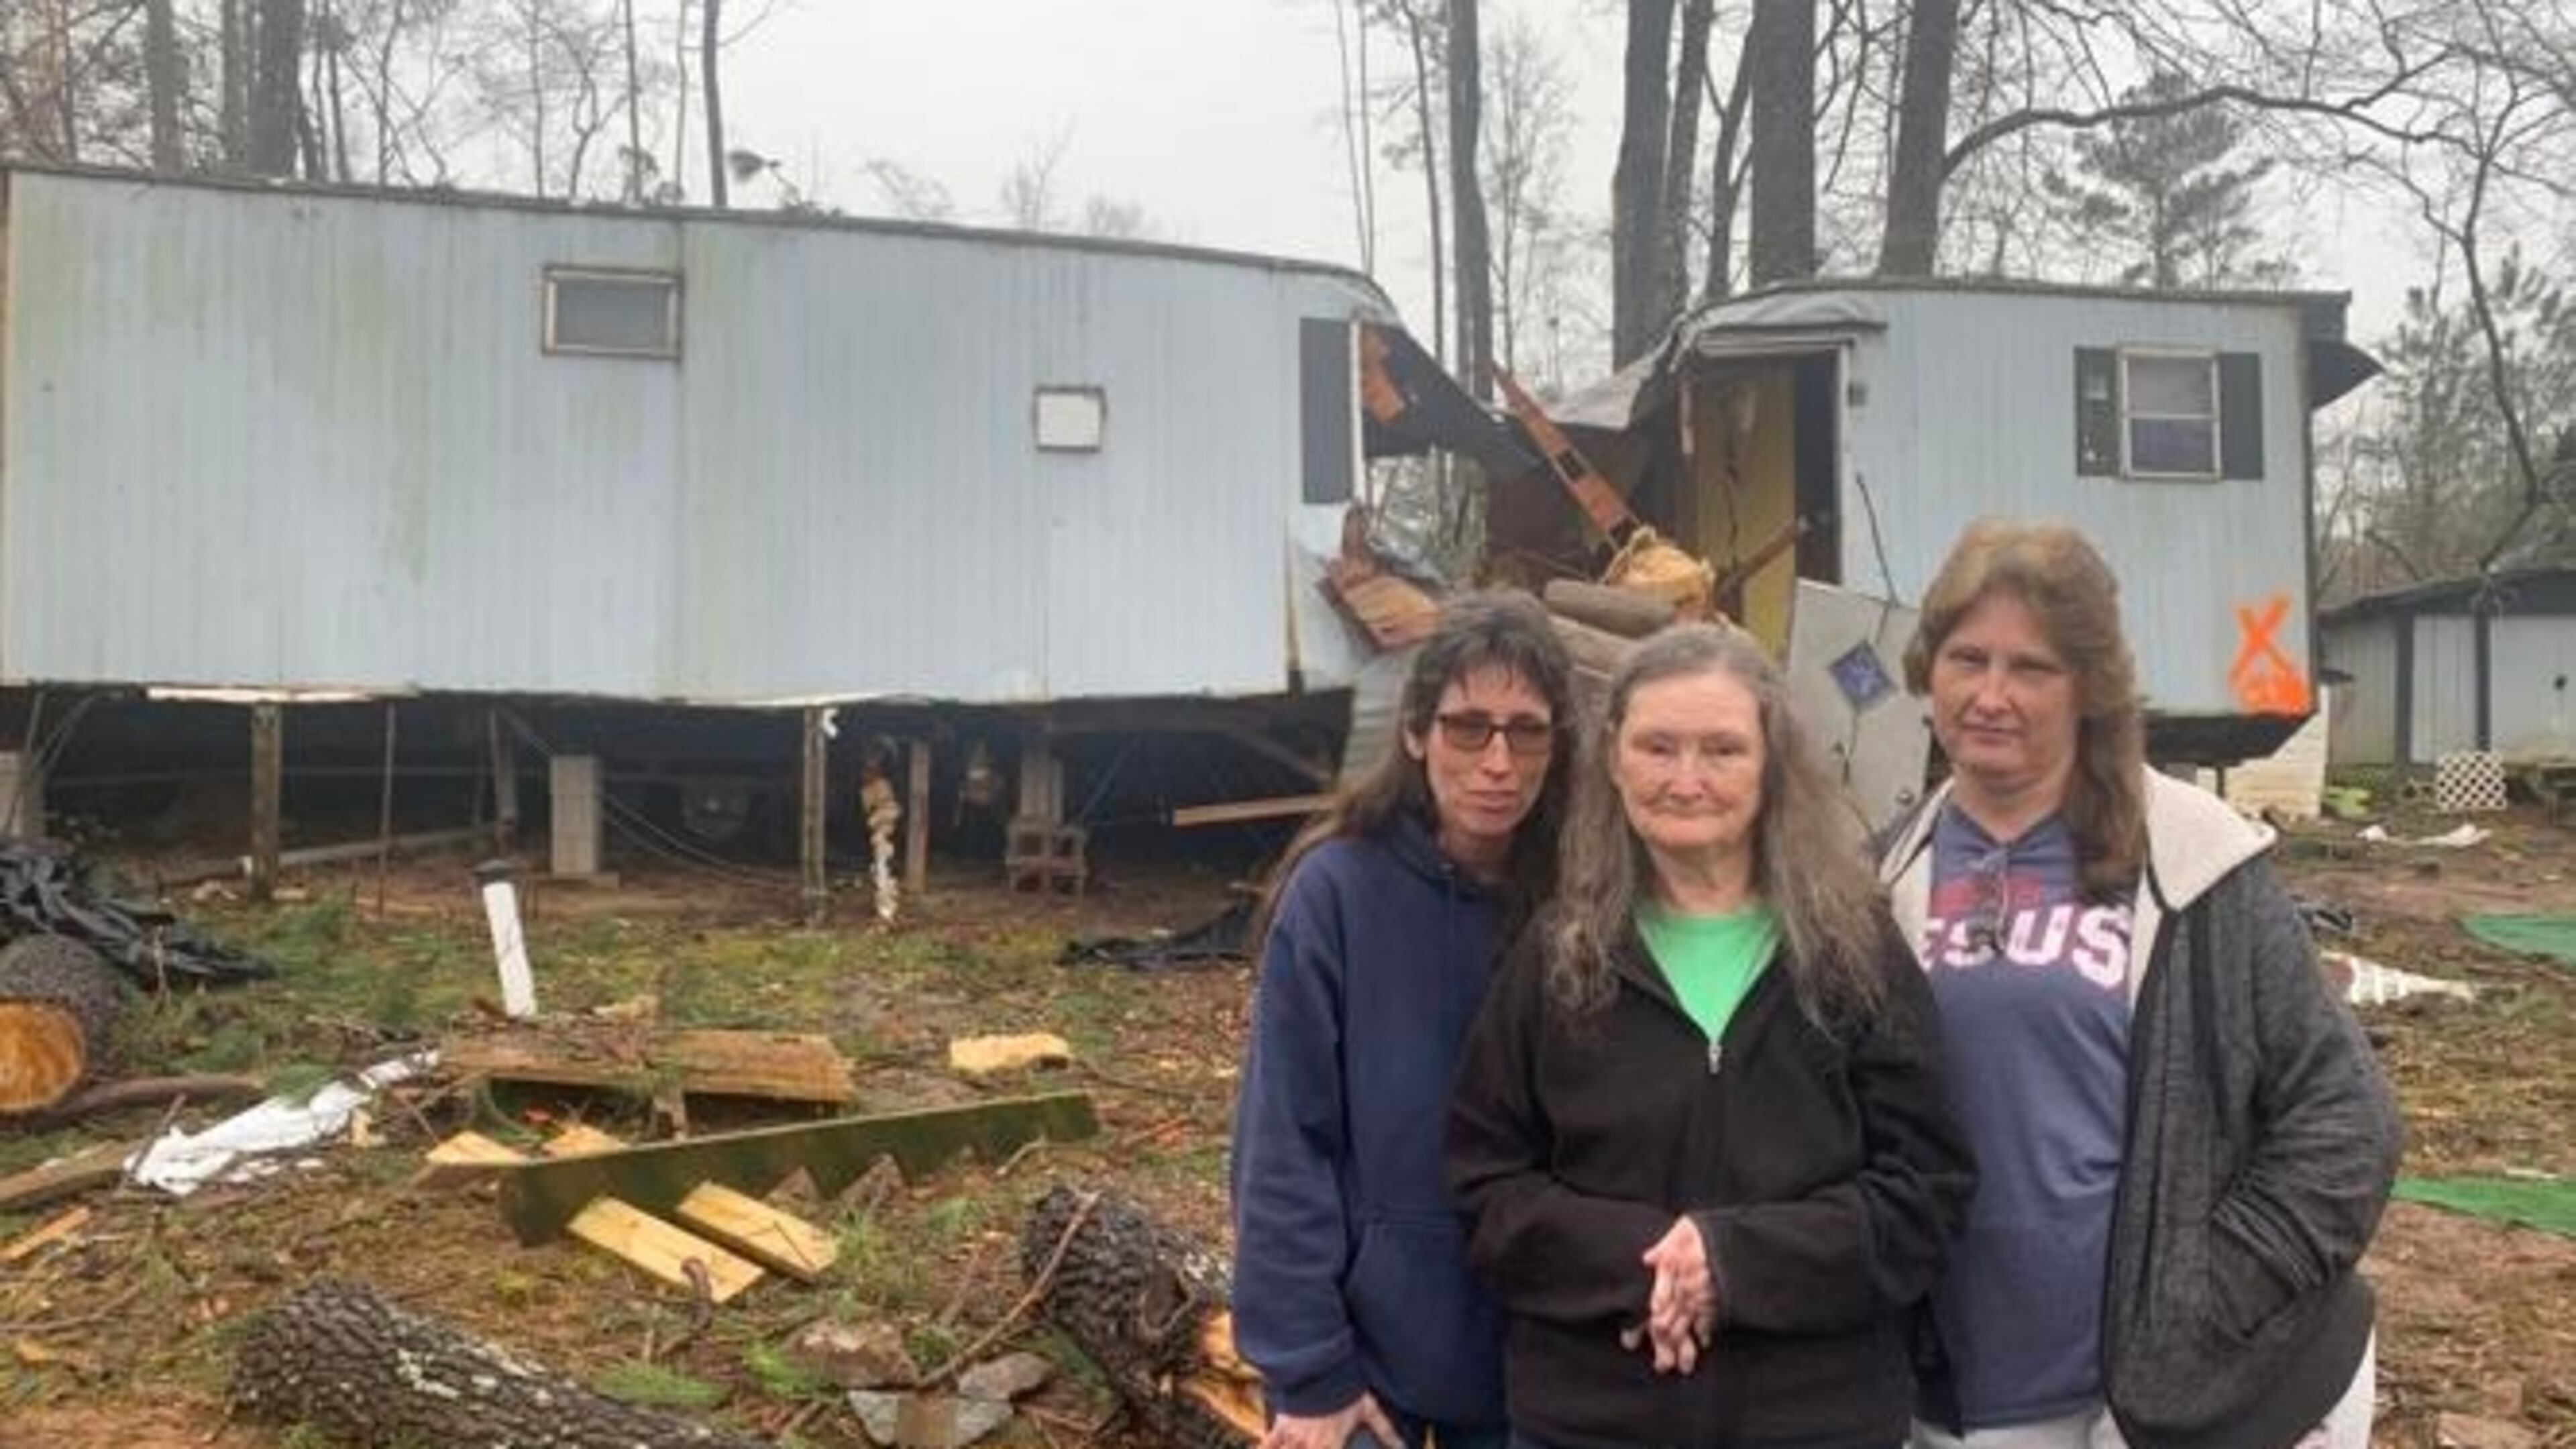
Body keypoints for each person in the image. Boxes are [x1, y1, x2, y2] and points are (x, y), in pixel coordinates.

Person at [1878, 519, 2402, 1449]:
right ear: (1930, 670)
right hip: (1963, 1395)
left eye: (2031, 668)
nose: (1991, 695)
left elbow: (2347, 1122)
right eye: (1968, 658)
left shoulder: (2195, 864)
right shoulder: (1883, 879)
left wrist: (2201, 1300)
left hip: (2159, 1400)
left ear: (2089, 686)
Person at [1448, 622, 1974, 1449]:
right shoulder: (1556, 957)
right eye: (1658, 747)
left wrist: (1734, 1264)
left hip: (1817, 1420)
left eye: (1721, 750)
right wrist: (1650, 1263)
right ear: (1614, 758)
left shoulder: (1853, 952)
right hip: (1592, 1421)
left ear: (1771, 765)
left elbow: (1925, 1191)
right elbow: (1486, 1188)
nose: (1686, 779)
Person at [1230, 590, 1577, 1449]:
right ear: (1418, 733)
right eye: (1468, 727)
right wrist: (1308, 1370)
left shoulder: (1581, 903)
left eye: (1526, 731)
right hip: (1364, 1363)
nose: (1497, 761)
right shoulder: (1336, 893)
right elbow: (1281, 1143)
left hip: (1538, 1359)